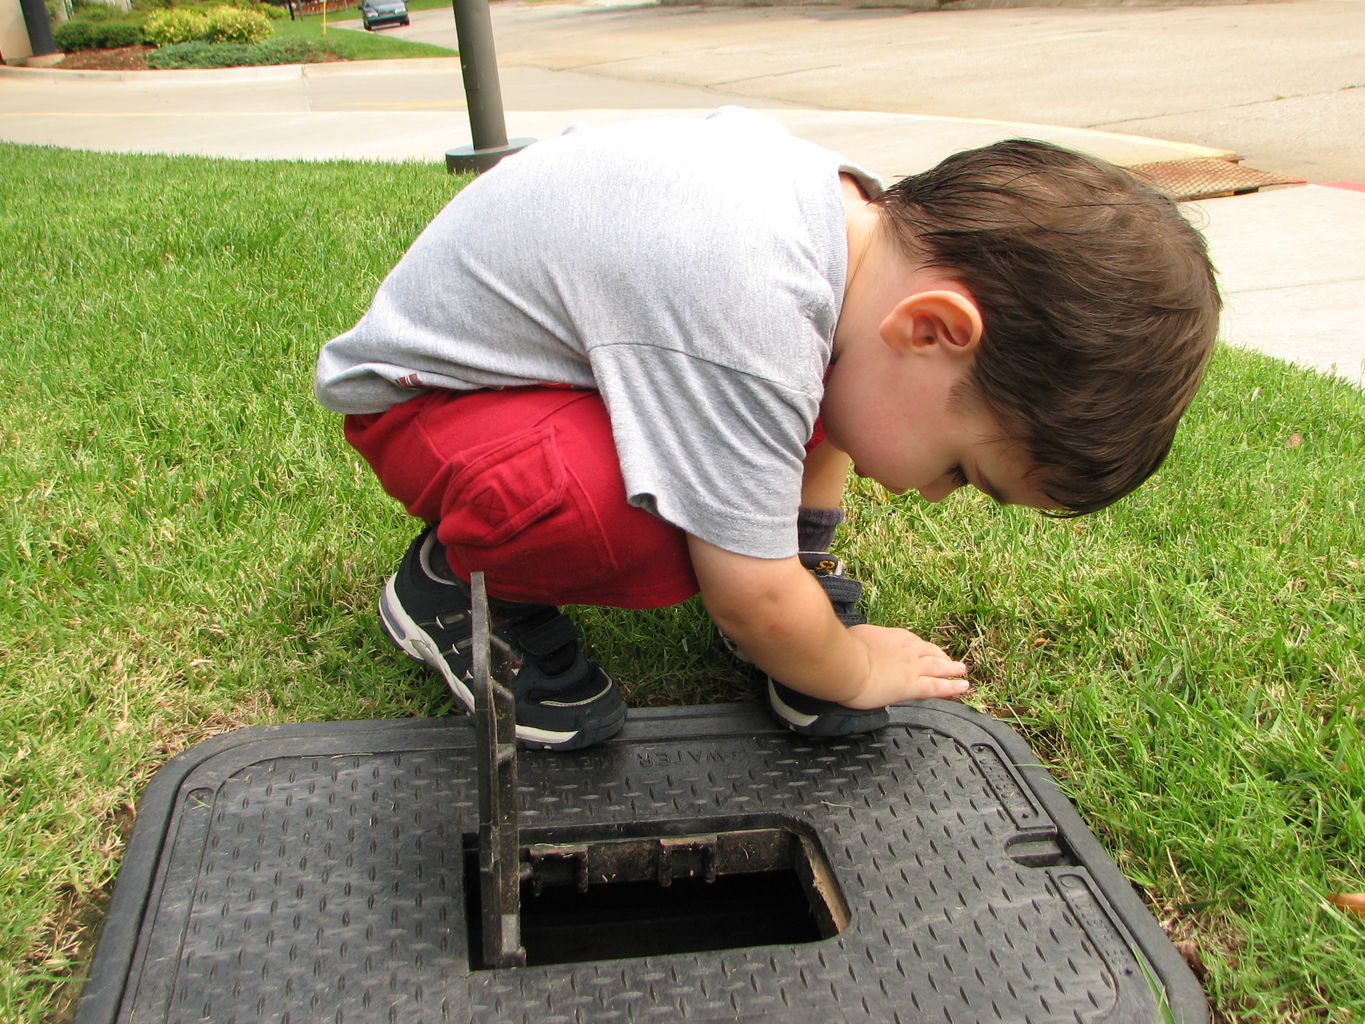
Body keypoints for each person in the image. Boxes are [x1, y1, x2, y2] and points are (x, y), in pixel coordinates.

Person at [315, 107, 1219, 751]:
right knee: (655, 525)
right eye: (961, 470)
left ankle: (795, 586)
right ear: (933, 329)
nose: (932, 494)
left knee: (802, 415)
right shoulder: (748, 304)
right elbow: (747, 592)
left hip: (560, 372)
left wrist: (805, 581)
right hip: (433, 404)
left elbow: (817, 416)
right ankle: (460, 584)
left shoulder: (852, 240)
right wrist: (850, 670)